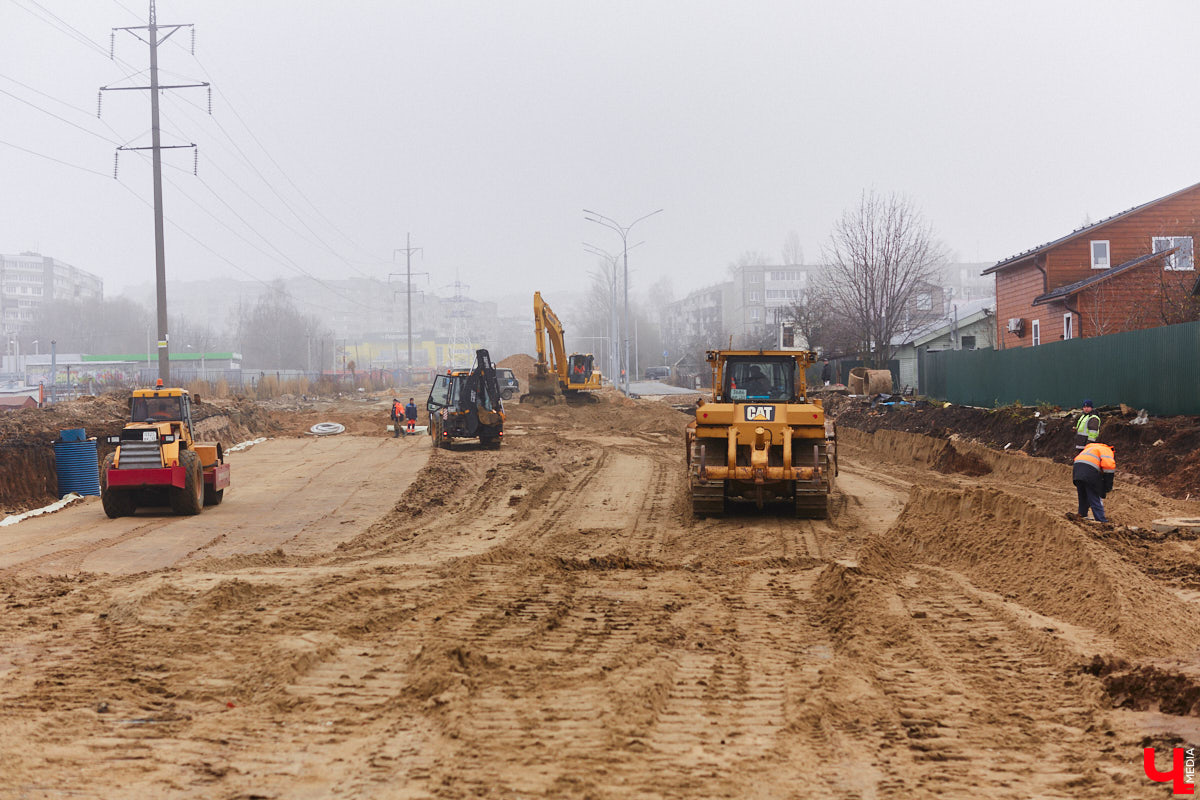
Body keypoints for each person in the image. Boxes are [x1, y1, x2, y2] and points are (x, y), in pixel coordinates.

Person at [1072, 440, 1115, 522]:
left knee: (1083, 495)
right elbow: (1109, 467)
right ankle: (1101, 520)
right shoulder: (1107, 450)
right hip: (1089, 470)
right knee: (1094, 495)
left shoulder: (1091, 448)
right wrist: (1107, 486)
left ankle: (1082, 514)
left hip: (1077, 469)